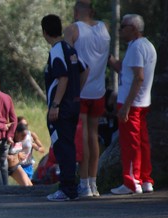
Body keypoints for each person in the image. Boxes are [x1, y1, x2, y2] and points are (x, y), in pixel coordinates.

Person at [64, 1, 110, 197]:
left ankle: (83, 183)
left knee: (82, 136)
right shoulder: (104, 27)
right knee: (93, 135)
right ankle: (93, 183)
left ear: (76, 11)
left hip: (80, 90)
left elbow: (65, 57)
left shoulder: (73, 29)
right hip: (98, 89)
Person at [41, 14, 88, 201]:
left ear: (44, 32)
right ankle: (70, 186)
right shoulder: (70, 48)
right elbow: (85, 70)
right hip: (72, 105)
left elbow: (63, 77)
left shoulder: (57, 50)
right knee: (66, 145)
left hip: (62, 108)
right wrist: (76, 93)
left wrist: (56, 104)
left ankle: (68, 189)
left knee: (63, 146)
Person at [108, 14, 157, 195]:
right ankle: (145, 179)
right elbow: (126, 70)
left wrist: (126, 106)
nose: (120, 31)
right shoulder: (146, 46)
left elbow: (138, 76)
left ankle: (131, 181)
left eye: (123, 27)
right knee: (142, 142)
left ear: (134, 28)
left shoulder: (136, 47)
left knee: (130, 144)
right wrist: (111, 60)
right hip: (143, 102)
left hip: (132, 103)